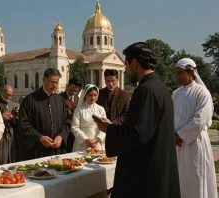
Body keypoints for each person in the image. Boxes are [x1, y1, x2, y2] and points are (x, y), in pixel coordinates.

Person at [94, 42, 180, 197]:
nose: (125, 70)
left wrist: (108, 128)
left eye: (126, 65)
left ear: (134, 63)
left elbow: (137, 134)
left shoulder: (146, 90)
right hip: (159, 165)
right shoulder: (160, 87)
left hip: (145, 173)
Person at [173, 58, 217, 198]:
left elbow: (200, 120)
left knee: (195, 180)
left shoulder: (202, 93)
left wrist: (180, 135)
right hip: (178, 144)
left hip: (195, 144)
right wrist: (174, 135)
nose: (177, 76)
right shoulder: (176, 93)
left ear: (191, 72)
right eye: (176, 72)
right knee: (179, 181)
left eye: (180, 72)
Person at [19, 68, 69, 160]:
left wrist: (61, 136)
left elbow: (66, 122)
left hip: (56, 149)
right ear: (44, 80)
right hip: (38, 149)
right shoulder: (30, 100)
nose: (55, 85)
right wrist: (40, 137)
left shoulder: (60, 100)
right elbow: (24, 124)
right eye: (52, 82)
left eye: (57, 82)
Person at [71, 84, 106, 151]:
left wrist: (96, 139)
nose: (93, 98)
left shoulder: (101, 109)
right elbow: (75, 127)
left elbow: (104, 127)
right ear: (85, 95)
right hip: (82, 143)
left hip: (97, 143)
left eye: (95, 95)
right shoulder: (79, 109)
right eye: (90, 95)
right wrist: (87, 140)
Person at [0, 85, 19, 165]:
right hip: (1, 134)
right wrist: (1, 118)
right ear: (2, 92)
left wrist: (12, 117)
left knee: (12, 155)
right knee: (2, 156)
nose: (9, 97)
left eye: (10, 95)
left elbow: (19, 119)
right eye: (7, 94)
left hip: (11, 132)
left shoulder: (14, 104)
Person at [60, 78, 81, 152]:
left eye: (75, 90)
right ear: (68, 86)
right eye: (71, 90)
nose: (73, 92)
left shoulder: (78, 99)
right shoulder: (59, 97)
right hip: (63, 129)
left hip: (74, 130)